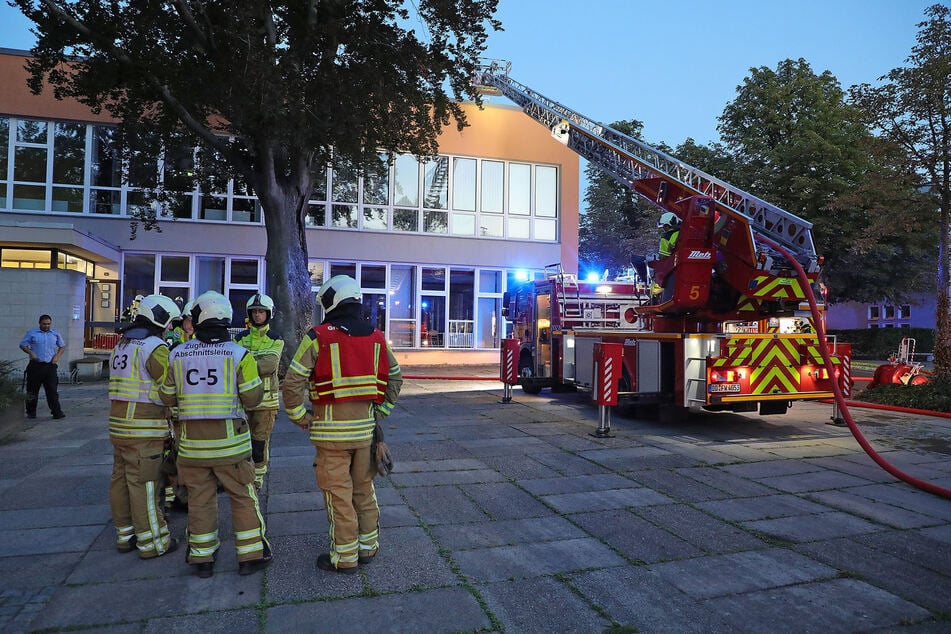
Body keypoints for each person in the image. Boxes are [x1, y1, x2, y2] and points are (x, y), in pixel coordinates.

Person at [283, 275, 403, 574]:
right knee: (364, 489)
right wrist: (382, 411)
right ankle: (368, 547)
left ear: (331, 301)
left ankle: (345, 557)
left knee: (339, 495)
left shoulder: (318, 336)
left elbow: (292, 382)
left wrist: (299, 416)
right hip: (365, 434)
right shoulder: (376, 338)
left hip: (330, 435)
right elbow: (396, 377)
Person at [160, 291, 272, 578]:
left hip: (192, 448)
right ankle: (250, 557)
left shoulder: (177, 354)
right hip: (231, 448)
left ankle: (202, 558)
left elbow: (166, 397)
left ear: (197, 319)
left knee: (199, 500)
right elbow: (252, 399)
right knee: (243, 497)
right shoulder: (239, 355)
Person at [107, 294, 181, 558]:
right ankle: (153, 543)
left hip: (118, 426)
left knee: (121, 481)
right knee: (145, 485)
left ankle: (125, 534)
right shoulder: (154, 347)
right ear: (160, 319)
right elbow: (170, 387)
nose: (171, 328)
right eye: (170, 322)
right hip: (144, 428)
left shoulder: (122, 344)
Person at [234, 293, 285, 490]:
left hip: (266, 401)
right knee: (241, 442)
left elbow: (270, 366)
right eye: (254, 312)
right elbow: (234, 365)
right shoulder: (240, 337)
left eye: (261, 311)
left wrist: (246, 362)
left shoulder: (275, 339)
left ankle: (258, 479)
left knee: (259, 443)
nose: (257, 315)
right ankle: (243, 475)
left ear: (268, 314)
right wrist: (255, 361)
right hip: (243, 400)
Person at [19, 314, 67, 420]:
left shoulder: (55, 334)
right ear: (40, 323)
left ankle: (56, 412)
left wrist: (57, 356)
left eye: (48, 324)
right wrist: (31, 353)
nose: (46, 326)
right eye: (44, 324)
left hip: (50, 366)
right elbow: (22, 344)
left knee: (52, 390)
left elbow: (62, 346)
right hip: (36, 365)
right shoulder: (32, 333)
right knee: (32, 390)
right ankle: (31, 412)